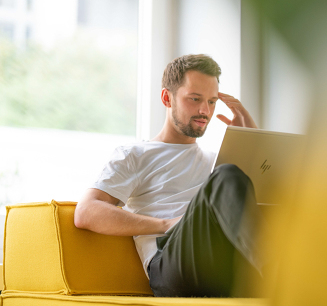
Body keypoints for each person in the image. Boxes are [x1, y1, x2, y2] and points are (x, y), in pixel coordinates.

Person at [74, 54, 265, 297]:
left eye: (212, 101)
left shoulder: (216, 160)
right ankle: (281, 274)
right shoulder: (135, 155)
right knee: (226, 175)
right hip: (169, 265)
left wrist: (254, 142)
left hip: (220, 262)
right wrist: (166, 224)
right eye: (195, 99)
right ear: (167, 97)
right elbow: (86, 212)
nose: (204, 110)